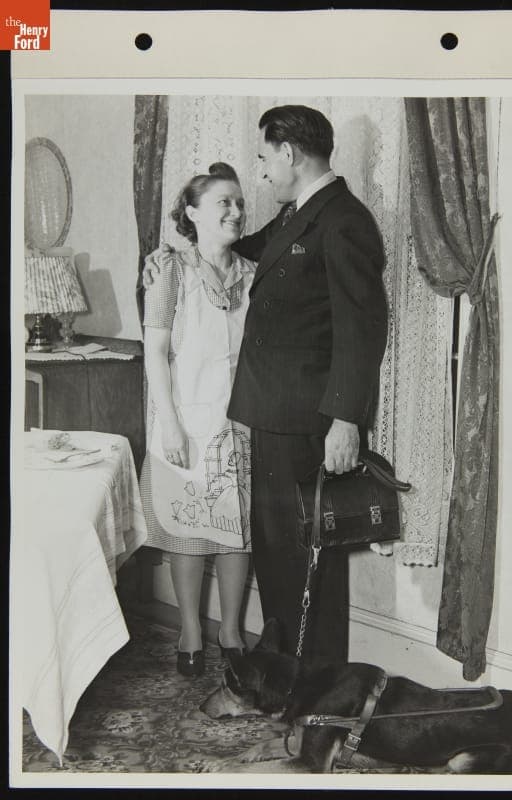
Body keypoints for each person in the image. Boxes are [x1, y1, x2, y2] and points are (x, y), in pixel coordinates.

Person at [144, 106, 388, 665]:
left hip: (308, 422)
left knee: (307, 564)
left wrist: (346, 420)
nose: (261, 174)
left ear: (288, 153)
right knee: (281, 560)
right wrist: (178, 252)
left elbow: (363, 327)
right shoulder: (300, 213)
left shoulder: (343, 220)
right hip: (272, 418)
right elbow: (250, 247)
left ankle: (315, 688)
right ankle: (285, 679)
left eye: (264, 159)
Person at [140, 163, 254, 676]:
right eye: (222, 203)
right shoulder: (170, 271)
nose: (235, 211)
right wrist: (169, 426)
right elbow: (155, 353)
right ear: (192, 214)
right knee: (189, 530)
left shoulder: (253, 273)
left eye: (238, 202)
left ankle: (230, 632)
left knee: (236, 530)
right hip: (185, 419)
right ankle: (191, 629)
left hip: (241, 424)